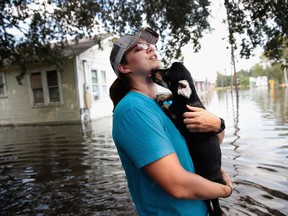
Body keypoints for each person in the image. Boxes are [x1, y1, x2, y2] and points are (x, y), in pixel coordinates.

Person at [109, 27, 232, 215]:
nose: (150, 48)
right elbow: (177, 185)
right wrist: (225, 190)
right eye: (139, 47)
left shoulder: (167, 101)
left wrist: (218, 124)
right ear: (125, 67)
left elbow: (209, 140)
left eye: (151, 44)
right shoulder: (133, 110)